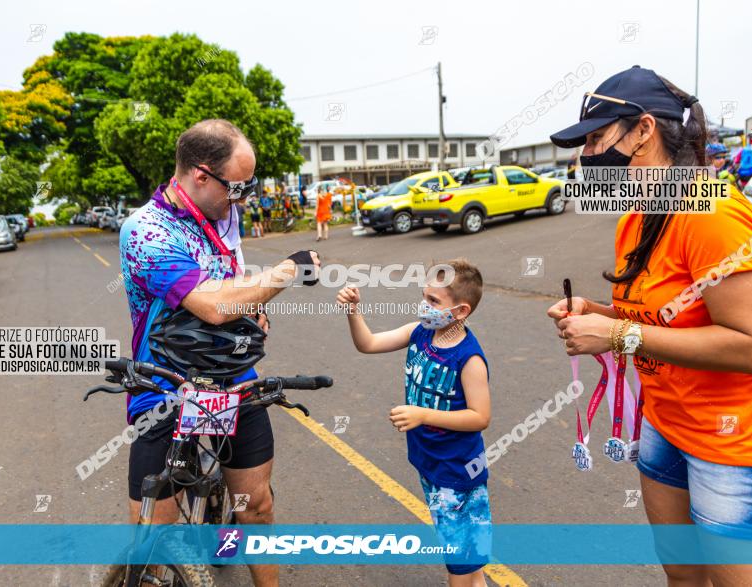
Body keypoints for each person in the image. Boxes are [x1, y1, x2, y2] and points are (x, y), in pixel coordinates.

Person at [549, 66, 752, 586]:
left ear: (644, 130)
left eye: (597, 138)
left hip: (733, 445)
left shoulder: (712, 213)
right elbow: (651, 318)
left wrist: (619, 336)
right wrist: (598, 315)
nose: (587, 155)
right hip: (665, 425)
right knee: (682, 574)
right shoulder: (638, 212)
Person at [119, 119, 321, 587]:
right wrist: (287, 271)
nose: (245, 197)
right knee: (153, 533)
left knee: (257, 506)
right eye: (238, 186)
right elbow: (212, 305)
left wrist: (252, 315)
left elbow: (231, 280)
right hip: (167, 385)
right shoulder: (146, 230)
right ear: (200, 175)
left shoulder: (223, 211)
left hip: (231, 379)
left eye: (250, 186)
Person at [337, 259, 491, 587]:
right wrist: (353, 311)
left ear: (461, 311)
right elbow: (368, 343)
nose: (425, 305)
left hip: (457, 474)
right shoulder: (419, 333)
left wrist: (422, 415)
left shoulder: (469, 359)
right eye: (424, 296)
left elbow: (480, 417)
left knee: (460, 570)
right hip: (430, 464)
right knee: (468, 563)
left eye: (434, 301)